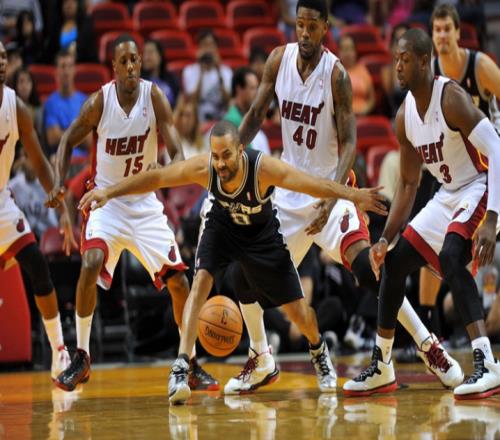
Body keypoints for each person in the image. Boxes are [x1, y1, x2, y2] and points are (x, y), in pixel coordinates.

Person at [227, 0, 462, 396]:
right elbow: (253, 115)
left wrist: (333, 200)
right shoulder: (277, 60)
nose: (304, 32)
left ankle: (428, 345)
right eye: (299, 24)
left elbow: (351, 142)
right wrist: (230, 155)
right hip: (289, 194)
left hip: (332, 191)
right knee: (240, 273)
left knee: (369, 271)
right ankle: (261, 356)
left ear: (325, 28)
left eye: (312, 26)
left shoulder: (336, 74)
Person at [78, 119, 388, 405]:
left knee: (297, 312)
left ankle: (318, 347)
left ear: (241, 150)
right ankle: (182, 364)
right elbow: (157, 177)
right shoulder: (206, 168)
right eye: (216, 156)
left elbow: (310, 183)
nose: (221, 163)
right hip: (223, 228)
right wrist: (108, 192)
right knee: (199, 283)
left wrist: (351, 194)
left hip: (262, 236)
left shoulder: (262, 168)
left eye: (226, 155)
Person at [45, 35, 218, 393]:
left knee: (179, 282)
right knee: (91, 261)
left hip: (144, 205)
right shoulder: (99, 103)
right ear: (114, 67)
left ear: (141, 63)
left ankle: (190, 362)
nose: (130, 68)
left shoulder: (154, 97)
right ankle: (82, 357)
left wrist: (177, 169)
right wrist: (60, 182)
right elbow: (65, 141)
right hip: (106, 203)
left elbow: (175, 150)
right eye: (123, 62)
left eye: (135, 61)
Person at [343, 28, 500, 400]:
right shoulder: (404, 117)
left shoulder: (452, 99)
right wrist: (384, 239)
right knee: (394, 264)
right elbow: (409, 186)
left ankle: (487, 363)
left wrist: (492, 220)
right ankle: (382, 364)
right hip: (449, 194)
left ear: (424, 61)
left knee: (450, 256)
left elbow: (496, 150)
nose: (397, 66)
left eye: (405, 59)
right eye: (395, 58)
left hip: (481, 184)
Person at [0, 40, 74, 382]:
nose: (1, 61)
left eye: (4, 56)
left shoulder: (16, 107)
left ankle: (59, 352)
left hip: (2, 203)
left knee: (36, 264)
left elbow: (39, 160)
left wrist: (58, 201)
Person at [432, 4, 500, 131]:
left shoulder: (480, 65)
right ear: (432, 35)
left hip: (490, 141)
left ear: (457, 33)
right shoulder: (429, 72)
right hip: (456, 147)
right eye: (437, 29)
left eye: (447, 29)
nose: (442, 35)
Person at [43, 49, 89, 157]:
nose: (66, 71)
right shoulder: (50, 103)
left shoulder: (85, 101)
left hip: (83, 164)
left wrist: (62, 134)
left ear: (75, 70)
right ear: (56, 71)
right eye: (63, 66)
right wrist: (78, 135)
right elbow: (52, 138)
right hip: (60, 162)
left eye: (70, 66)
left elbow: (89, 141)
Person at [182, 29, 232, 124]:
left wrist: (218, 70)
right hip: (199, 119)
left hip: (220, 117)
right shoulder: (189, 70)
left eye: (211, 45)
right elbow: (192, 100)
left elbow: (228, 100)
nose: (208, 49)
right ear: (199, 48)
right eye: (205, 45)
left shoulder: (226, 71)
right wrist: (201, 72)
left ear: (216, 48)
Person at [223, 66, 270, 155]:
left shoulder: (252, 118)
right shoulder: (231, 121)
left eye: (257, 88)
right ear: (239, 89)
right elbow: (246, 157)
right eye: (252, 88)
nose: (257, 93)